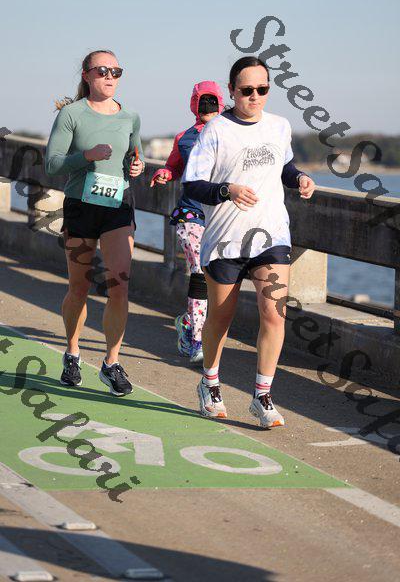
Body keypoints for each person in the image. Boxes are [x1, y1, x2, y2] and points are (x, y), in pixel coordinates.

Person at [182, 56, 315, 428]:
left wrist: (300, 178)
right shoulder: (216, 130)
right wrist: (228, 190)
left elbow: (283, 167)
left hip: (271, 236)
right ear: (231, 91)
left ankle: (262, 395)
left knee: (274, 314)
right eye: (246, 90)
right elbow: (192, 185)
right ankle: (210, 383)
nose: (254, 96)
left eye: (262, 89)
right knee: (221, 318)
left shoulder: (279, 126)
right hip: (225, 240)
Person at [45, 49, 144, 397]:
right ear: (87, 75)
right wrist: (86, 156)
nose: (110, 76)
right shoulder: (72, 114)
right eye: (102, 71)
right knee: (79, 287)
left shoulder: (130, 117)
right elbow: (52, 164)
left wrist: (137, 166)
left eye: (116, 71)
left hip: (117, 206)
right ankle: (72, 353)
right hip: (81, 206)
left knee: (119, 286)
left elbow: (135, 156)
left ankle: (111, 362)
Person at [150, 81, 224, 363]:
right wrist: (165, 174)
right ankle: (196, 340)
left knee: (220, 276)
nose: (207, 107)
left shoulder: (233, 133)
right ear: (194, 105)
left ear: (220, 103)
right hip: (191, 213)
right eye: (202, 102)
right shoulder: (184, 137)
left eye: (212, 102)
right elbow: (174, 166)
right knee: (199, 272)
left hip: (223, 216)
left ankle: (189, 323)